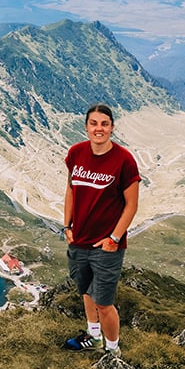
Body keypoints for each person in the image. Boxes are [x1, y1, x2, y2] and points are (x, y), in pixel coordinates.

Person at [62, 103, 140, 355]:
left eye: (104, 124)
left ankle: (113, 351)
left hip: (106, 246)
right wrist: (67, 226)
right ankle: (93, 337)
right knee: (86, 291)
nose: (99, 129)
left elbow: (131, 205)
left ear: (112, 128)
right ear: (86, 127)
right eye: (94, 123)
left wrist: (114, 238)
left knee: (104, 303)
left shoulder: (124, 160)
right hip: (79, 240)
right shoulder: (76, 153)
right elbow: (71, 190)